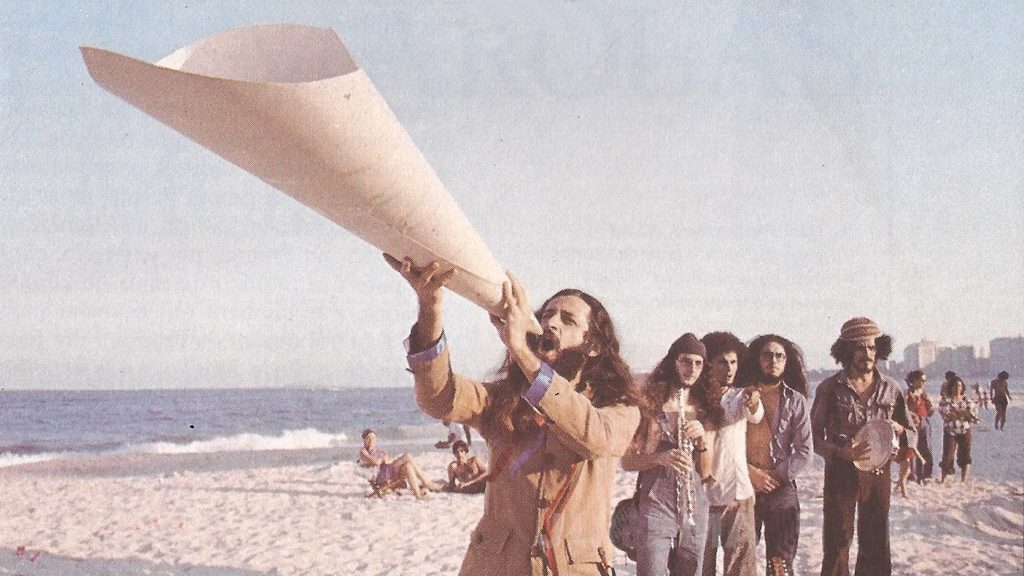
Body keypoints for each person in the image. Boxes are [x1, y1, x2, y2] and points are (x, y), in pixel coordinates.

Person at [387, 255, 643, 576]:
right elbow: (439, 399)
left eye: (568, 320)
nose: (551, 323)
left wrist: (522, 352)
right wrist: (430, 308)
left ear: (593, 346)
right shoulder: (504, 399)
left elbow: (595, 437)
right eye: (546, 315)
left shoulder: (619, 408)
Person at [810, 317, 914, 576]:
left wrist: (900, 436)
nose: (867, 354)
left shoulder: (891, 387)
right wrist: (840, 452)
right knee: (837, 540)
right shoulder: (830, 387)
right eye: (860, 347)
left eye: (872, 347)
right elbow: (812, 436)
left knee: (876, 540)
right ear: (847, 351)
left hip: (878, 472)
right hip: (840, 470)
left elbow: (910, 431)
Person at [621, 333, 711, 576]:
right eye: (686, 361)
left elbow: (706, 473)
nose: (692, 369)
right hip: (655, 505)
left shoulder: (703, 409)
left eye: (698, 363)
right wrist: (658, 458)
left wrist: (702, 442)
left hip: (694, 508)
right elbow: (626, 461)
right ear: (673, 362)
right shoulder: (649, 407)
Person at [741, 334, 813, 576]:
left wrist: (775, 476)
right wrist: (752, 473)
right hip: (744, 484)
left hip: (781, 487)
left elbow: (805, 452)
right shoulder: (739, 396)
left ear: (786, 361)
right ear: (757, 358)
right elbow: (727, 444)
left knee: (780, 563)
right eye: (767, 355)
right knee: (740, 557)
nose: (773, 360)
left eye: (780, 356)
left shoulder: (796, 401)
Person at [697, 332, 762, 576]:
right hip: (703, 498)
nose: (730, 368)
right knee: (702, 565)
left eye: (734, 362)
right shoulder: (695, 399)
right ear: (709, 364)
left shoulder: (739, 396)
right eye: (723, 362)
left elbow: (755, 415)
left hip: (736, 496)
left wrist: (753, 401)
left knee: (739, 566)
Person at [358, 428, 441, 499]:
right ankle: (426, 483)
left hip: (388, 472)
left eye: (373, 438)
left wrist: (383, 460)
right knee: (407, 456)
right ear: (364, 439)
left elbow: (388, 461)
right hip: (380, 476)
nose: (371, 440)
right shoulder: (363, 451)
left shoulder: (380, 451)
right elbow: (375, 462)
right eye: (368, 438)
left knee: (407, 466)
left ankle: (418, 495)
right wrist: (383, 460)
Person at [938, 376, 978, 483]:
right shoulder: (945, 400)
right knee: (948, 455)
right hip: (950, 431)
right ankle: (943, 479)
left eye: (959, 386)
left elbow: (973, 414)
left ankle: (963, 480)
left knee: (965, 455)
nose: (957, 388)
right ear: (951, 387)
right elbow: (945, 413)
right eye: (955, 386)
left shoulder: (967, 399)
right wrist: (963, 414)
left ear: (962, 387)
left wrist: (959, 413)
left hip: (965, 430)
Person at [903, 370, 935, 483]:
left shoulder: (924, 394)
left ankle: (926, 474)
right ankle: (912, 475)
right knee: (912, 448)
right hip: (912, 422)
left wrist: (930, 405)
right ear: (915, 380)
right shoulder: (907, 393)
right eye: (922, 380)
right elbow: (902, 408)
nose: (923, 383)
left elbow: (930, 412)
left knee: (925, 447)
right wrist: (911, 414)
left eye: (924, 381)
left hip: (924, 421)